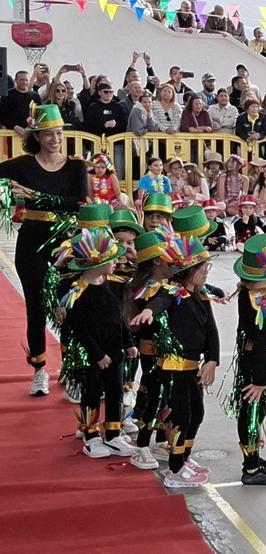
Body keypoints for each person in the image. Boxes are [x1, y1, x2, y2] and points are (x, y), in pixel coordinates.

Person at [0, 105, 88, 396]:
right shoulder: (22, 165)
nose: (55, 139)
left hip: (65, 244)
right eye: (48, 134)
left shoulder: (76, 167)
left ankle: (70, 368)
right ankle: (39, 370)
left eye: (59, 133)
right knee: (36, 307)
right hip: (31, 242)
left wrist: (37, 197)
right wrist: (8, 199)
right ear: (36, 136)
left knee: (70, 306)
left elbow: (80, 203)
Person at [129, 234, 219, 488]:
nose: (206, 271)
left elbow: (211, 331)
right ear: (187, 271)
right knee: (180, 416)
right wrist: (149, 310)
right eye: (202, 267)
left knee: (197, 414)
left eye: (207, 266)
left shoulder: (201, 296)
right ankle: (175, 469)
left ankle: (184, 457)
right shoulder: (172, 292)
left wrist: (212, 360)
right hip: (173, 368)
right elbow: (160, 301)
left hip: (192, 367)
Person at [62, 227, 136, 458]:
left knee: (115, 391)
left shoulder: (112, 284)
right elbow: (79, 329)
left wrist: (129, 343)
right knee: (91, 393)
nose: (117, 262)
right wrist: (97, 354)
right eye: (112, 259)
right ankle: (91, 434)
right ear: (97, 263)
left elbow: (120, 318)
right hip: (94, 354)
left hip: (115, 351)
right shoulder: (79, 292)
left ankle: (113, 433)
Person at [227, 235, 266, 486]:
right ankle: (251, 468)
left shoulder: (253, 293)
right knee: (253, 412)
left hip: (262, 360)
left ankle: (253, 457)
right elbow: (261, 338)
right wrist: (261, 379)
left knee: (254, 412)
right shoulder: (256, 298)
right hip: (263, 363)